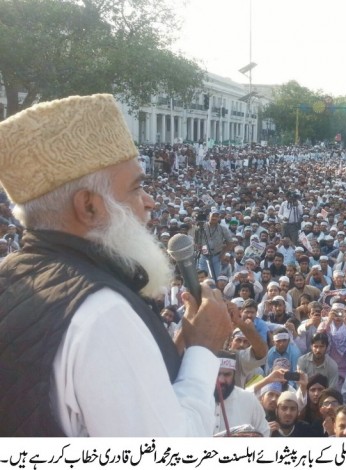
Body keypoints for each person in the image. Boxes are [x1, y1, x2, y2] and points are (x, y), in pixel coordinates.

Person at [0, 94, 233, 436]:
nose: (150, 202)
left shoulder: (11, 274)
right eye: (136, 188)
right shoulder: (101, 312)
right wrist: (203, 349)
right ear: (89, 207)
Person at [213, 352, 270, 436]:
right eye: (217, 374)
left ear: (234, 375)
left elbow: (264, 433)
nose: (221, 380)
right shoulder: (196, 399)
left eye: (227, 374)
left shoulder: (249, 400)